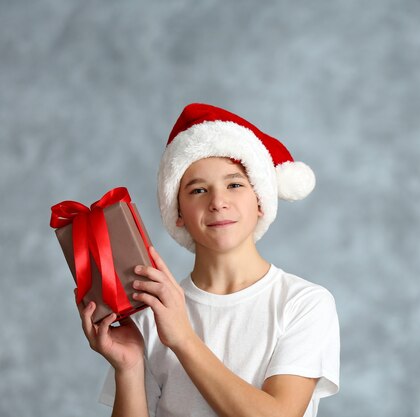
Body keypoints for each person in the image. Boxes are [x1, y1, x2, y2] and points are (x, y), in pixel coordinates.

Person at [77, 103, 340, 417]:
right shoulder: (151, 312)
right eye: (198, 190)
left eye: (235, 185)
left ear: (260, 201)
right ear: (177, 214)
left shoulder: (303, 303)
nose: (218, 202)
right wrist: (129, 367)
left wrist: (183, 338)